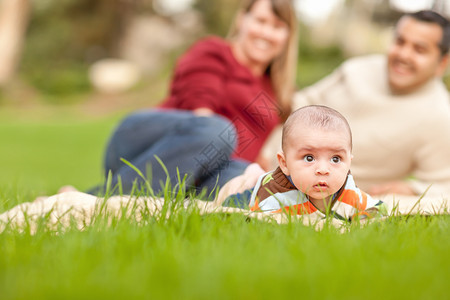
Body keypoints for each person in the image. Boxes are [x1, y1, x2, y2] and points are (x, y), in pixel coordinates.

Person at [89, 0, 299, 197]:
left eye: (277, 26)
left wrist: (255, 173)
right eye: (260, 21)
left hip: (204, 172)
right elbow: (202, 114)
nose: (266, 32)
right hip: (146, 147)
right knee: (217, 131)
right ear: (241, 19)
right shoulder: (214, 52)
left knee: (260, 185)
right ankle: (91, 199)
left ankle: (153, 201)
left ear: (287, 35)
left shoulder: (277, 91)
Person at [261, 10, 450, 198]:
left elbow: (444, 186)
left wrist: (412, 189)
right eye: (400, 42)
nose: (404, 54)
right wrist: (258, 144)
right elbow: (297, 103)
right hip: (261, 153)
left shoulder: (440, 116)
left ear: (442, 63)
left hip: (309, 193)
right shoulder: (357, 69)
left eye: (419, 49)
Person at [217, 105, 383, 221]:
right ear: (285, 163)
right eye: (309, 158)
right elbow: (262, 226)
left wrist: (364, 221)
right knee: (230, 198)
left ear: (348, 163)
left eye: (336, 159)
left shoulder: (348, 192)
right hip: (256, 191)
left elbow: (376, 212)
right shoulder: (275, 196)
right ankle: (252, 176)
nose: (323, 170)